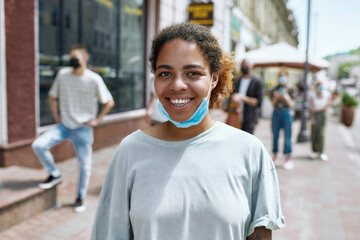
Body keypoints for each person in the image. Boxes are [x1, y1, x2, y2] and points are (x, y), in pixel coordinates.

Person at [91, 22, 284, 240]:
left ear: (213, 78)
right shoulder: (131, 151)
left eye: (193, 73)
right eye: (165, 74)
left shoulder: (250, 152)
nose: (177, 85)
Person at [32, 44, 115, 212]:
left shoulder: (93, 79)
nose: (72, 61)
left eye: (75, 57)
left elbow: (109, 102)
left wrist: (97, 121)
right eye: (70, 57)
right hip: (64, 126)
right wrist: (57, 117)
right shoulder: (63, 75)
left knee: (85, 166)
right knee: (38, 145)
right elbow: (52, 96)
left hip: (83, 129)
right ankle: (54, 174)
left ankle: (79, 198)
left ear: (85, 58)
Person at [229, 59, 264, 134]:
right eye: (242, 66)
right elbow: (231, 94)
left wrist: (242, 98)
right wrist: (234, 97)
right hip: (235, 117)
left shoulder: (257, 81)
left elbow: (258, 102)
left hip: (249, 119)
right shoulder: (237, 80)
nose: (244, 68)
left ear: (251, 66)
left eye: (246, 66)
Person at [270, 71, 295, 170]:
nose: (282, 78)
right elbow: (272, 104)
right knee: (275, 135)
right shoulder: (274, 89)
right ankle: (275, 156)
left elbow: (292, 104)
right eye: (280, 76)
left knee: (287, 136)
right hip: (276, 112)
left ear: (287, 77)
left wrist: (286, 97)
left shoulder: (291, 90)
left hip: (287, 113)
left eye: (284, 76)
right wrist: (276, 97)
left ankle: (288, 158)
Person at [309, 80, 331, 161]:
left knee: (321, 134)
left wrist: (317, 110)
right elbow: (311, 108)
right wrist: (312, 119)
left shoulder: (326, 94)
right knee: (314, 133)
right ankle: (315, 151)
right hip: (315, 116)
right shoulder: (313, 95)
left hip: (323, 115)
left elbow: (328, 105)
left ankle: (321, 151)